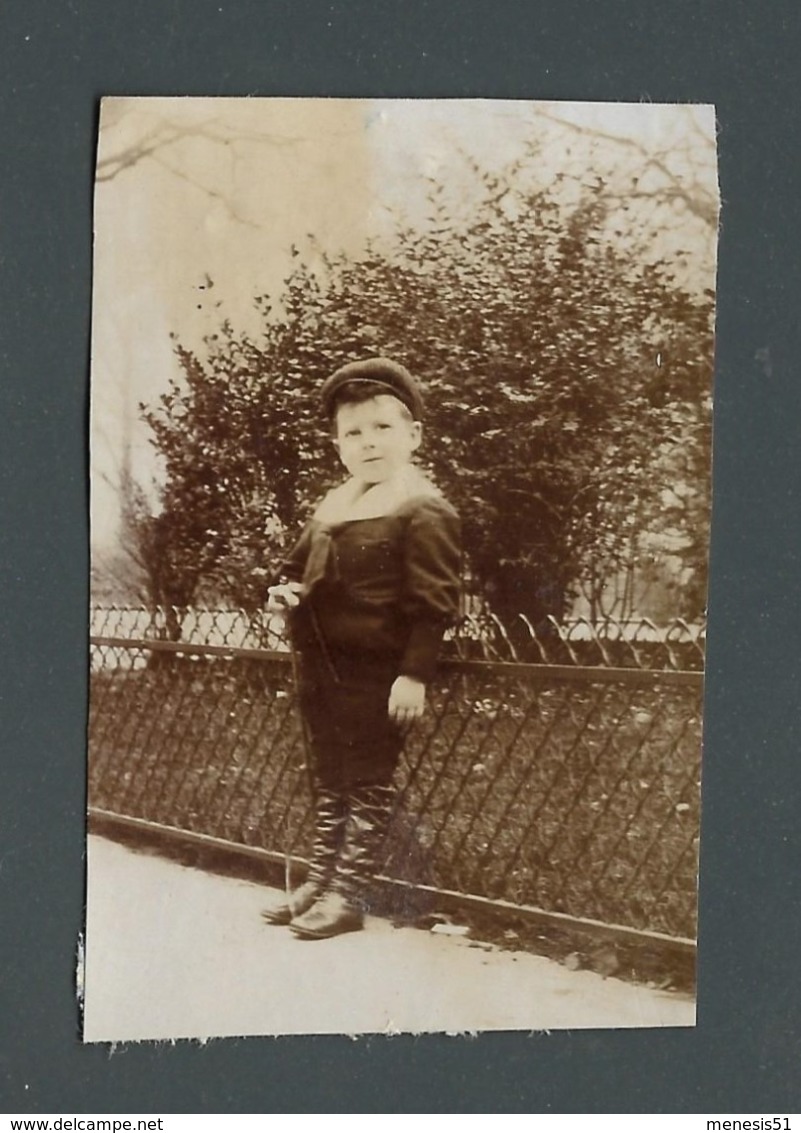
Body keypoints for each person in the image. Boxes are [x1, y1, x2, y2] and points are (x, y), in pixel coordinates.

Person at [261, 357, 461, 939]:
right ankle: (319, 881)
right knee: (330, 779)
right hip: (322, 669)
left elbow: (434, 602)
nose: (368, 444)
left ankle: (349, 894)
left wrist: (414, 676)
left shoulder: (421, 508)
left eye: (382, 429)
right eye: (353, 433)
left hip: (377, 675)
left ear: (413, 436)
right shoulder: (335, 505)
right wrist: (283, 591)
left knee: (368, 782)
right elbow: (296, 568)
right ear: (337, 444)